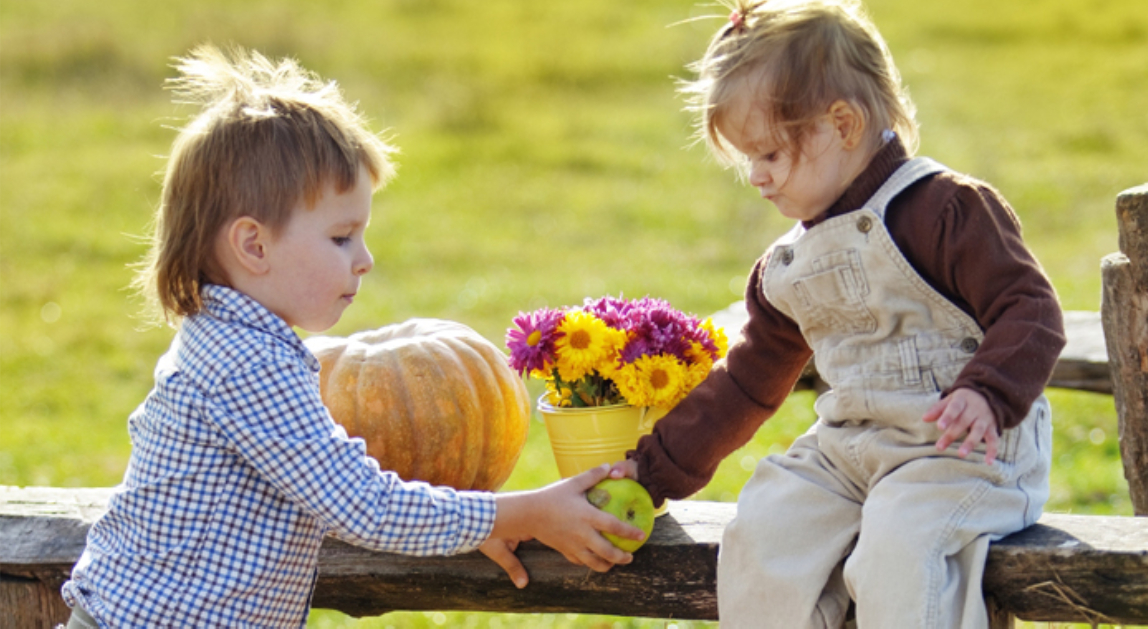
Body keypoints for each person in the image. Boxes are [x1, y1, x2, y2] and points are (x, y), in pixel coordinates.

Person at [60, 45, 643, 629]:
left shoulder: (227, 338)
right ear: (254, 246)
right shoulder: (246, 365)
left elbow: (333, 496)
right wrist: (522, 513)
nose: (363, 260)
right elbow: (361, 503)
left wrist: (466, 524)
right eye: (341, 237)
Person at [609, 1, 1066, 626]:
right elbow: (745, 384)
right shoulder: (789, 266)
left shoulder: (946, 210)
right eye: (748, 160)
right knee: (765, 524)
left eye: (770, 154)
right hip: (852, 448)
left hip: (960, 453)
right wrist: (652, 471)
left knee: (901, 547)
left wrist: (987, 392)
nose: (757, 178)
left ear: (842, 124)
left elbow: (1031, 310)